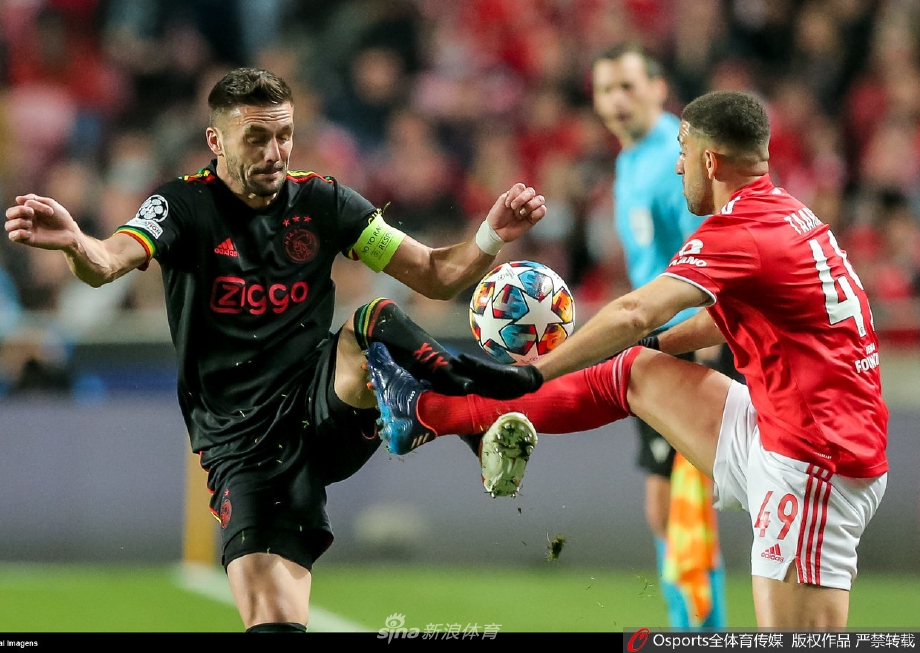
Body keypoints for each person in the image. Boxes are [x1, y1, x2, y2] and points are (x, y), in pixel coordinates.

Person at [2, 67, 546, 632]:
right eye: (256, 138)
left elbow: (434, 274)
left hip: (321, 404)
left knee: (376, 320)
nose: (273, 152)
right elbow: (107, 261)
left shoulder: (324, 201)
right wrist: (75, 243)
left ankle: (479, 419)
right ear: (216, 141)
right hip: (242, 445)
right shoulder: (181, 205)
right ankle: (409, 408)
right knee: (275, 619)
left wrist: (489, 236)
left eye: (283, 135)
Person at [365, 90, 888, 628]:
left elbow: (636, 310)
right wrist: (655, 346)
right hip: (794, 428)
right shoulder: (785, 214)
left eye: (683, 151)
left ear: (710, 161)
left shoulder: (742, 233)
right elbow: (726, 319)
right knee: (634, 371)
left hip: (815, 464)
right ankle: (428, 413)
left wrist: (534, 373)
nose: (679, 165)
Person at [591, 43, 725, 628]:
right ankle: (692, 625)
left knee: (682, 501)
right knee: (667, 503)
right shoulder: (633, 159)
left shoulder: (675, 157)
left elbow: (712, 254)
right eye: (605, 90)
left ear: (658, 86)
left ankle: (701, 630)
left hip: (689, 347)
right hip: (661, 347)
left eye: (627, 85)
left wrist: (707, 349)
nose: (616, 100)